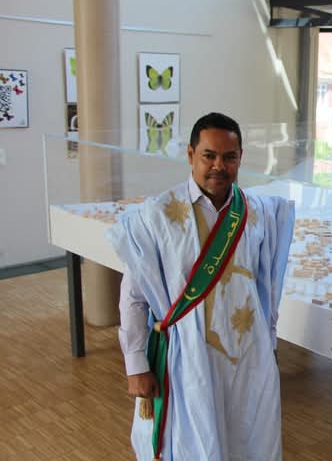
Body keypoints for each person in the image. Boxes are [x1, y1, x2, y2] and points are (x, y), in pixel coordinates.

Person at [108, 112, 294, 461]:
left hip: (247, 358)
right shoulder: (157, 214)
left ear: (241, 158)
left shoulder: (258, 213)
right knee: (194, 446)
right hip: (186, 357)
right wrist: (136, 364)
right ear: (191, 154)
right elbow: (134, 296)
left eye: (229, 157)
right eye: (209, 155)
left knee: (248, 442)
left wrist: (269, 343)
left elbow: (267, 287)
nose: (219, 166)